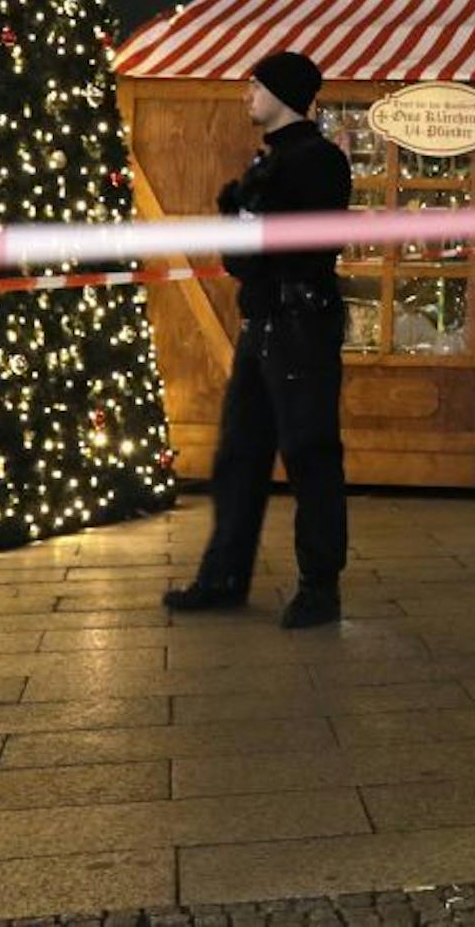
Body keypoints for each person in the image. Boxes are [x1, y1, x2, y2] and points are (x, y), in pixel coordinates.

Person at [165, 51, 353, 629]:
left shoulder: (317, 160)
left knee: (310, 454)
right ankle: (224, 576)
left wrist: (253, 224)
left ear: (283, 93)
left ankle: (319, 588)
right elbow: (241, 256)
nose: (247, 94)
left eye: (257, 85)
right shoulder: (271, 160)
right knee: (239, 456)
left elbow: (306, 247)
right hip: (264, 323)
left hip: (299, 324)